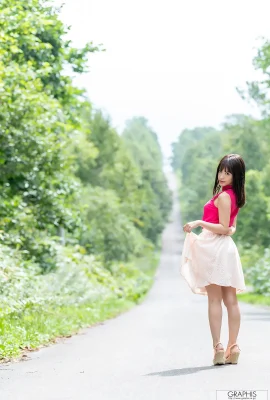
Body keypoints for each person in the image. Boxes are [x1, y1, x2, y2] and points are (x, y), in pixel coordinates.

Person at [180, 154, 246, 366]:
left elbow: (224, 228)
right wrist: (228, 229)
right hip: (224, 248)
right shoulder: (233, 195)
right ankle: (232, 346)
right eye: (221, 171)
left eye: (228, 172)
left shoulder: (224, 196)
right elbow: (231, 228)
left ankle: (218, 346)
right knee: (231, 300)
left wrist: (200, 222)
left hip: (215, 247)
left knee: (215, 300)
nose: (222, 176)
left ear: (236, 175)